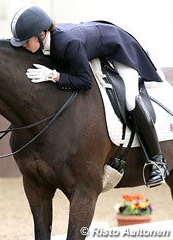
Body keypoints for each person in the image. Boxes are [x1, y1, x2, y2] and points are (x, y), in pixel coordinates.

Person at [10, 5, 169, 187]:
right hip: (93, 44)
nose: (23, 45)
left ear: (42, 34)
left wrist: (55, 76)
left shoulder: (67, 44)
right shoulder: (45, 42)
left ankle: (157, 161)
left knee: (130, 100)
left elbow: (85, 82)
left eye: (25, 41)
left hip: (118, 50)